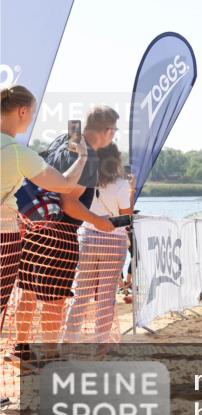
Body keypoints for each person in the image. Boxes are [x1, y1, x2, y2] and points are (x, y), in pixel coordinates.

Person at [10, 103, 115, 367]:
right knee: (55, 299)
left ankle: (21, 350)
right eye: (114, 131)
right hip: (60, 231)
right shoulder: (88, 158)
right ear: (107, 131)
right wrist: (99, 222)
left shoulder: (63, 141)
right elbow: (70, 203)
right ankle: (49, 356)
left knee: (28, 291)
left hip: (33, 227)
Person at [0, 87, 84, 363]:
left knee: (24, 295)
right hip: (5, 236)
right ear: (22, 112)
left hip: (15, 234)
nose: (32, 118)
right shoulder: (17, 152)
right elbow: (65, 184)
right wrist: (83, 156)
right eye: (32, 112)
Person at [64, 143, 133, 343]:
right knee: (106, 296)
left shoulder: (85, 180)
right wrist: (132, 189)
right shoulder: (121, 184)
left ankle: (69, 338)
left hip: (88, 236)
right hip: (113, 239)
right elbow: (126, 216)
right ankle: (101, 344)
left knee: (81, 293)